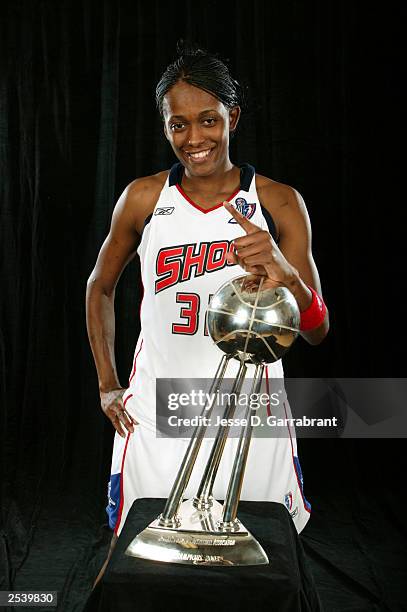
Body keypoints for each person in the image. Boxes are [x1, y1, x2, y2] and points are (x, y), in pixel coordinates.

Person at [86, 40, 329, 587]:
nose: (194, 139)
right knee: (142, 568)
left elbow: (317, 330)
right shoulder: (145, 198)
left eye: (208, 121)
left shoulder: (277, 201)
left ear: (232, 118)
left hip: (252, 419)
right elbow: (99, 287)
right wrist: (107, 383)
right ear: (166, 127)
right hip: (158, 409)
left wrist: (285, 274)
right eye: (178, 125)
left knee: (261, 574)